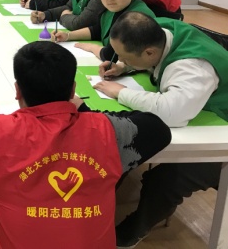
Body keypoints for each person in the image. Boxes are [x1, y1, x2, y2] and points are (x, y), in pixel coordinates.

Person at [0, 41, 171, 249]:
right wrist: (86, 111)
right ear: (73, 89)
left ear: (17, 90)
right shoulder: (107, 132)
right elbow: (157, 128)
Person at [92, 12, 228, 247]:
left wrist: (121, 92)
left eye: (125, 56)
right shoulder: (160, 29)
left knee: (167, 179)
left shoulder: (194, 67)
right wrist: (124, 66)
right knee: (120, 150)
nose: (119, 59)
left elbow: (172, 113)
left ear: (149, 53)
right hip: (202, 112)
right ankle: (96, 209)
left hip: (221, 137)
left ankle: (133, 232)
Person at [53, 0, 155, 62]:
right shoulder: (112, 9)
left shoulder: (138, 17)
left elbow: (111, 55)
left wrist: (91, 48)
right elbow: (98, 30)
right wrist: (68, 36)